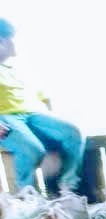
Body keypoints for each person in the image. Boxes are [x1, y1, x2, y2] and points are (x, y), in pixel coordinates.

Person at [0, 19, 85, 194]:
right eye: (9, 39)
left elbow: (44, 98)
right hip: (6, 117)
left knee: (73, 133)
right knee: (32, 149)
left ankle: (67, 186)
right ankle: (26, 195)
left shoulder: (18, 69)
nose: (13, 42)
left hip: (33, 114)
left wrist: (52, 130)